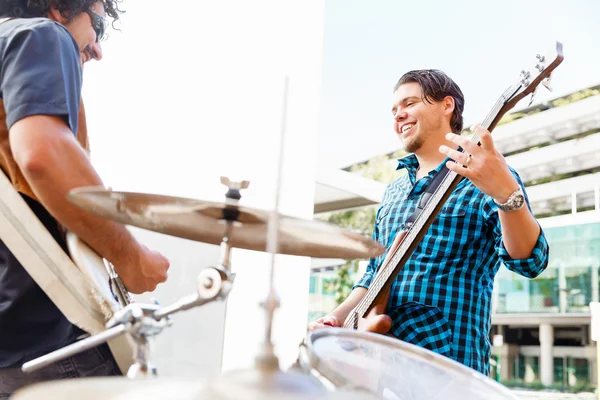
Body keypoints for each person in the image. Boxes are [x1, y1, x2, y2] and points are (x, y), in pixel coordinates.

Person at [309, 69, 549, 375]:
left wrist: (506, 195)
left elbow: (530, 262)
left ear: (446, 105)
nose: (399, 115)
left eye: (409, 104)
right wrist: (336, 318)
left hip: (446, 369)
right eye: (394, 110)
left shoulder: (485, 175)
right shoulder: (394, 191)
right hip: (378, 365)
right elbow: (373, 275)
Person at [0, 1, 170, 396]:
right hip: (51, 347)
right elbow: (43, 153)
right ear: (57, 8)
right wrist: (131, 257)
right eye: (96, 25)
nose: (97, 48)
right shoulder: (39, 35)